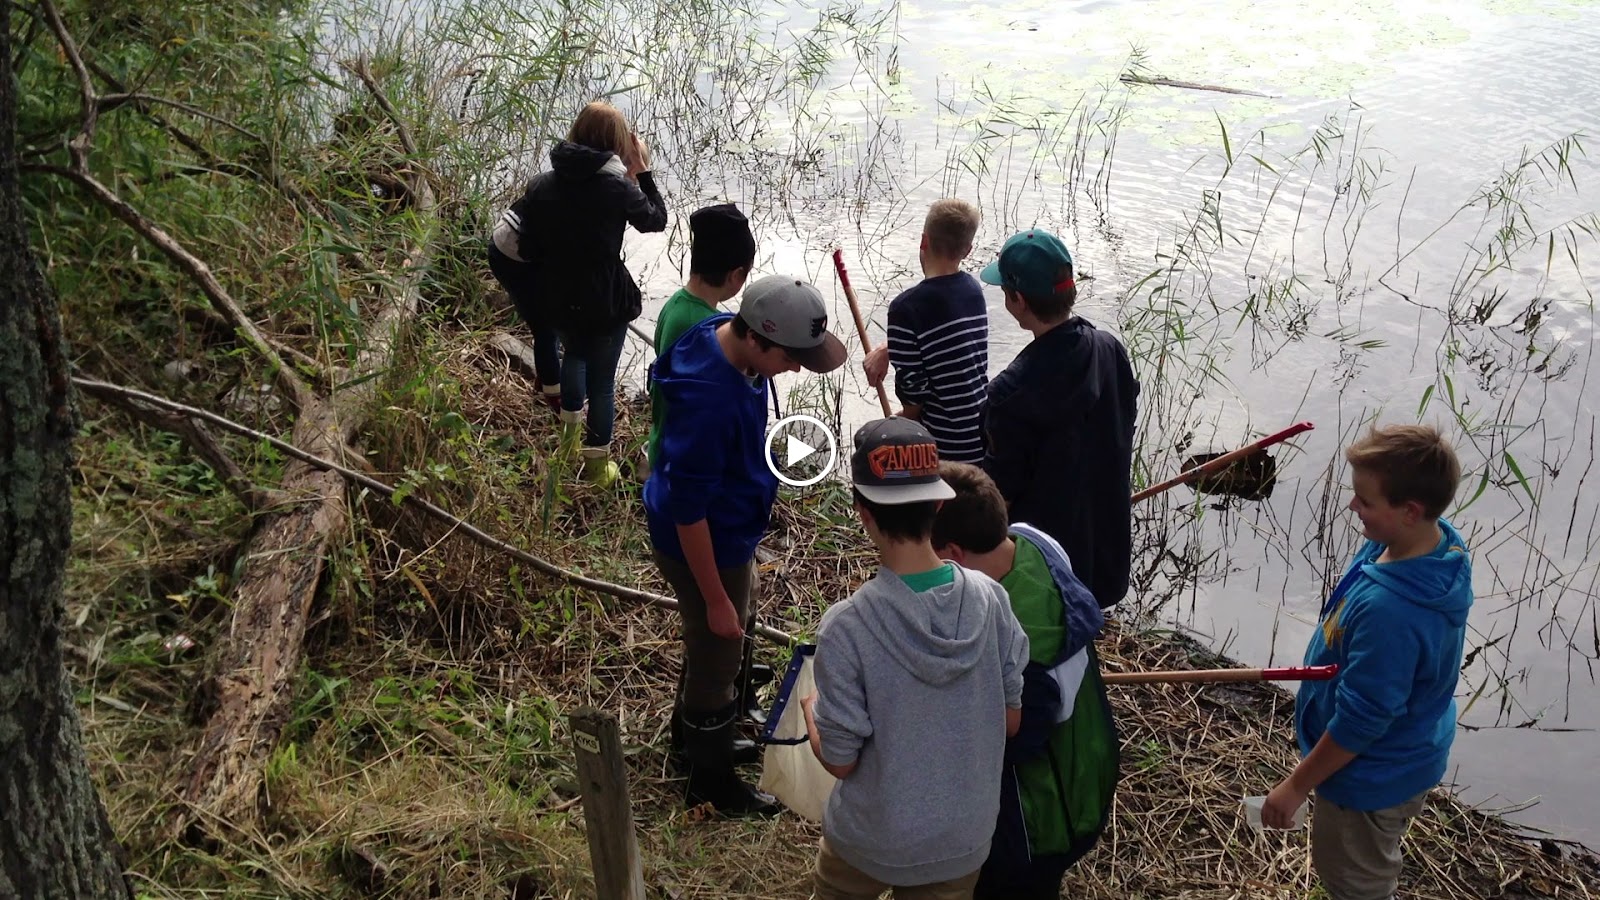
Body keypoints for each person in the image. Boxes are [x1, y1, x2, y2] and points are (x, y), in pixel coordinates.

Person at [801, 417, 1029, 899]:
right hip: (960, 843)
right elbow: (1011, 722)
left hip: (868, 841)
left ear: (862, 512)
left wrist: (811, 712)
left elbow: (840, 762)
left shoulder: (847, 628)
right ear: (940, 505)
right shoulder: (992, 599)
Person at [645, 274, 847, 815]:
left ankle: (690, 740)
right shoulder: (709, 403)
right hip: (702, 541)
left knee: (715, 640)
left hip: (728, 530)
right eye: (791, 357)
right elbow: (689, 512)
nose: (797, 368)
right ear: (756, 337)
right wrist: (715, 598)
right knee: (718, 652)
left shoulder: (720, 333)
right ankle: (709, 783)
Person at [1262, 424, 1471, 900]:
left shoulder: (1392, 613)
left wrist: (1295, 786)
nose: (1353, 505)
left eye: (1365, 500)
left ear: (1410, 511)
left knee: (1356, 883)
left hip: (1369, 774)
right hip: (1403, 751)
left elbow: (1363, 720)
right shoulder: (1429, 544)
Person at [930, 462, 1120, 900]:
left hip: (1038, 817)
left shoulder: (1019, 647)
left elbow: (1004, 747)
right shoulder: (1033, 540)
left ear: (953, 553)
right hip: (1089, 762)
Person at [504, 100, 668, 486]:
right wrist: (643, 174)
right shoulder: (617, 188)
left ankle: (567, 445)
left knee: (574, 358)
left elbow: (528, 242)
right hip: (605, 299)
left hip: (558, 295)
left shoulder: (541, 184)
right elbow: (656, 220)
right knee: (603, 382)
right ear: (617, 143)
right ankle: (596, 468)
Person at [977, 229, 1138, 608]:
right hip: (1105, 563)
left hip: (1045, 576)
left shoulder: (1009, 394)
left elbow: (1000, 498)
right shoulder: (1110, 350)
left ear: (1018, 300)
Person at [862, 199, 988, 463]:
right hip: (982, 436)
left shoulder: (905, 308)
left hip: (942, 448)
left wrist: (900, 423)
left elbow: (914, 396)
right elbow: (951, 350)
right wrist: (890, 347)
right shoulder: (973, 291)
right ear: (967, 250)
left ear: (923, 241)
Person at [644, 202, 757, 476]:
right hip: (680, 459)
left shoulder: (676, 304)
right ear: (736, 275)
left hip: (666, 443)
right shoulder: (706, 328)